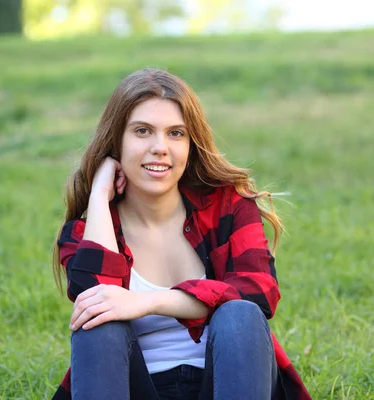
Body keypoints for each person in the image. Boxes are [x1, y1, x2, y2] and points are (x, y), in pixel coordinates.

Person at [51, 68, 311, 400]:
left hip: (226, 385)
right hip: (134, 390)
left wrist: (147, 302)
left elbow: (259, 291)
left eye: (176, 133)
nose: (160, 147)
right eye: (142, 131)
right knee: (100, 318)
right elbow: (92, 302)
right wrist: (99, 195)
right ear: (116, 141)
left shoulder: (229, 206)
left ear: (191, 145)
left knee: (240, 313)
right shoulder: (84, 233)